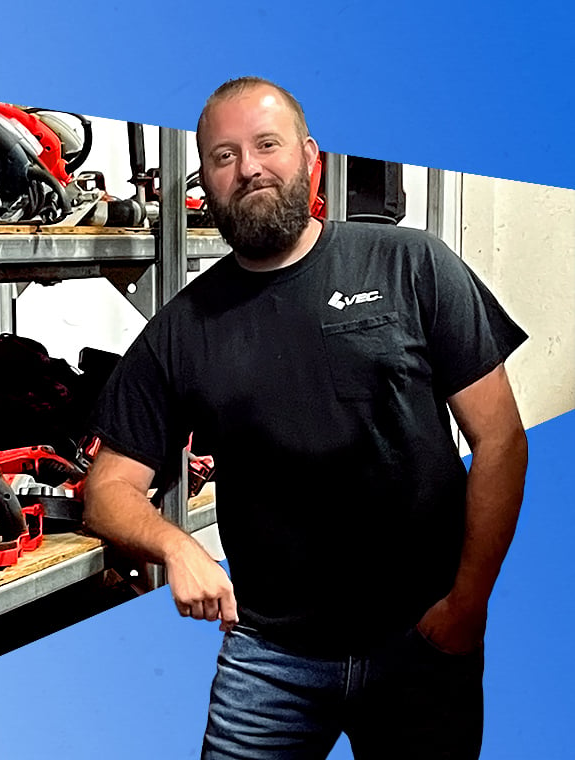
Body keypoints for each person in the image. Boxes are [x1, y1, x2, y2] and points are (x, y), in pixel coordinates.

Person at [83, 76, 528, 759]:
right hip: (271, 660)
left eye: (266, 144)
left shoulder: (409, 264)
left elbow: (498, 439)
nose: (248, 167)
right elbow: (107, 488)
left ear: (309, 156)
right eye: (223, 155)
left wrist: (468, 605)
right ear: (205, 177)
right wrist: (176, 547)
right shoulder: (185, 328)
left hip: (420, 643)